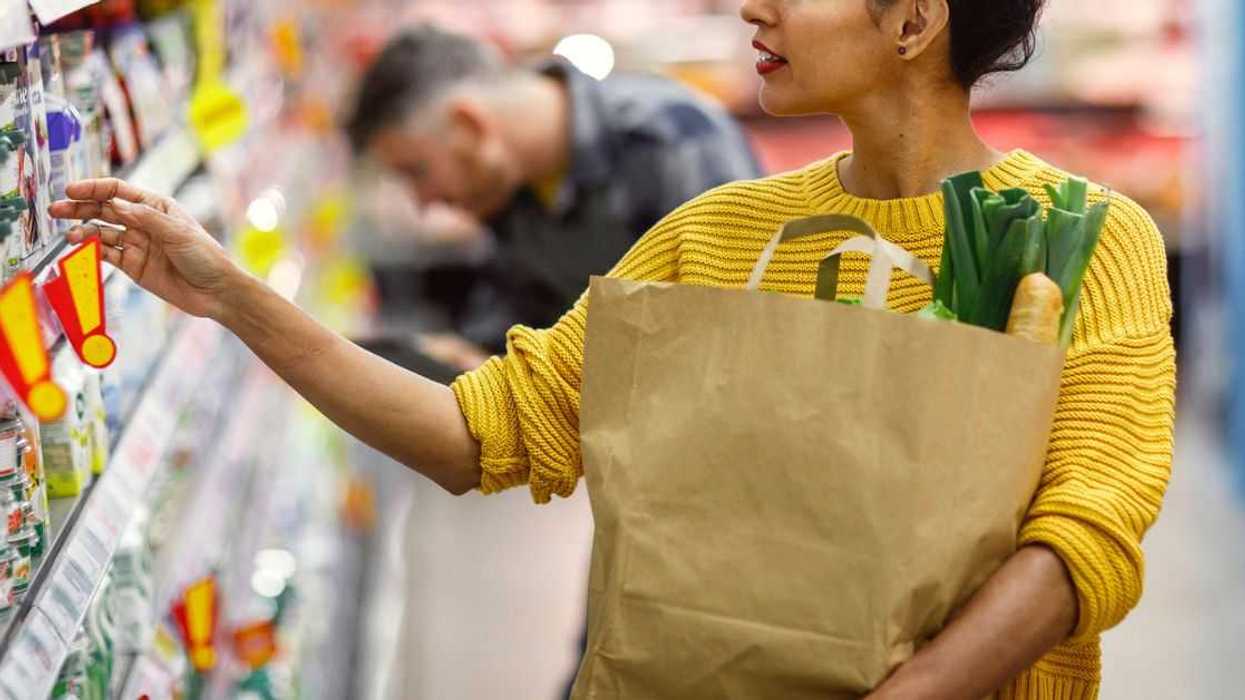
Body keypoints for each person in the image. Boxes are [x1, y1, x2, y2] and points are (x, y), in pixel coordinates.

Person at [50, 0, 1175, 697]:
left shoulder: (1079, 243)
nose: (753, 8)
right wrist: (233, 296)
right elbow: (475, 431)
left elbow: (1086, 539)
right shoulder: (714, 236)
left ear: (913, 21)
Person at [345, 26, 762, 370]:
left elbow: (735, 345)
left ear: (469, 126)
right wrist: (478, 359)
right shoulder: (509, 193)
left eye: (416, 171)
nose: (423, 202)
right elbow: (528, 316)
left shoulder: (670, 139)